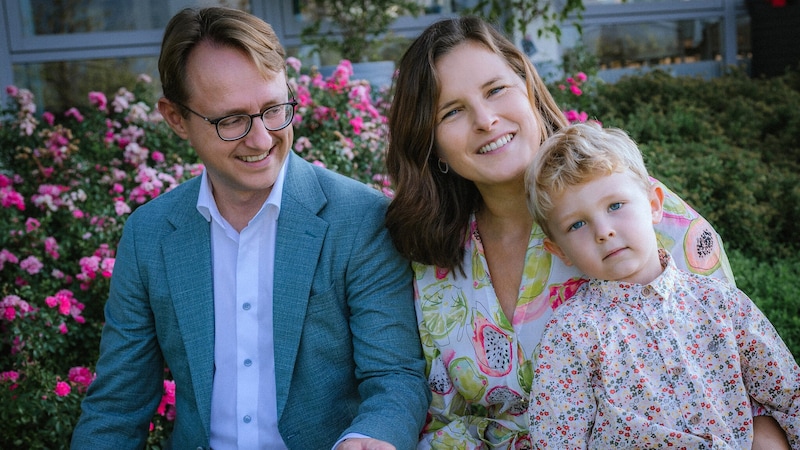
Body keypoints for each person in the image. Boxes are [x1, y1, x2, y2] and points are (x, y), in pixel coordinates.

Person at [384, 15, 791, 449]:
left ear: (529, 91)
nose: (485, 119)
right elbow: (439, 416)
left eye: (496, 90)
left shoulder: (642, 213)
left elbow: (742, 382)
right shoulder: (434, 256)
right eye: (453, 111)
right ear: (432, 143)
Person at [71, 7, 429, 450]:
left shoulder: (360, 220)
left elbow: (395, 376)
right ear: (176, 118)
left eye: (274, 109)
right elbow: (117, 407)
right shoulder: (150, 235)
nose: (261, 139)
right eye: (232, 120)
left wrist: (369, 436)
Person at [525, 122, 800, 448]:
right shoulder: (571, 332)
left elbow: (787, 392)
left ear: (654, 204)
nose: (603, 231)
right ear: (559, 251)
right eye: (577, 224)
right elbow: (557, 438)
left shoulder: (719, 301)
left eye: (615, 206)